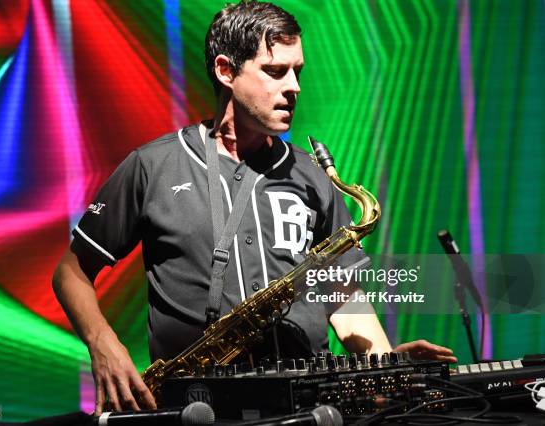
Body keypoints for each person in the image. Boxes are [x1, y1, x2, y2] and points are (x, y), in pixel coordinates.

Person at [52, 0, 456, 416]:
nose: (294, 86)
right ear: (226, 71)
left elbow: (342, 295)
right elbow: (71, 271)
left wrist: (384, 367)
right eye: (276, 71)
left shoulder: (313, 176)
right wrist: (103, 344)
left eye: (297, 71)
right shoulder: (152, 166)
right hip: (196, 409)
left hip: (308, 408)